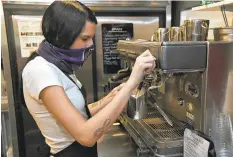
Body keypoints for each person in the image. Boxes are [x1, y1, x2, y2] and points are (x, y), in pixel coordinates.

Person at [22, 1, 156, 157]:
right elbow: (86, 136)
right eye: (85, 38)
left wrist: (111, 98)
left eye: (92, 38)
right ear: (62, 36)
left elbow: (79, 114)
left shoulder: (58, 65)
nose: (91, 44)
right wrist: (131, 84)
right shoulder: (40, 71)